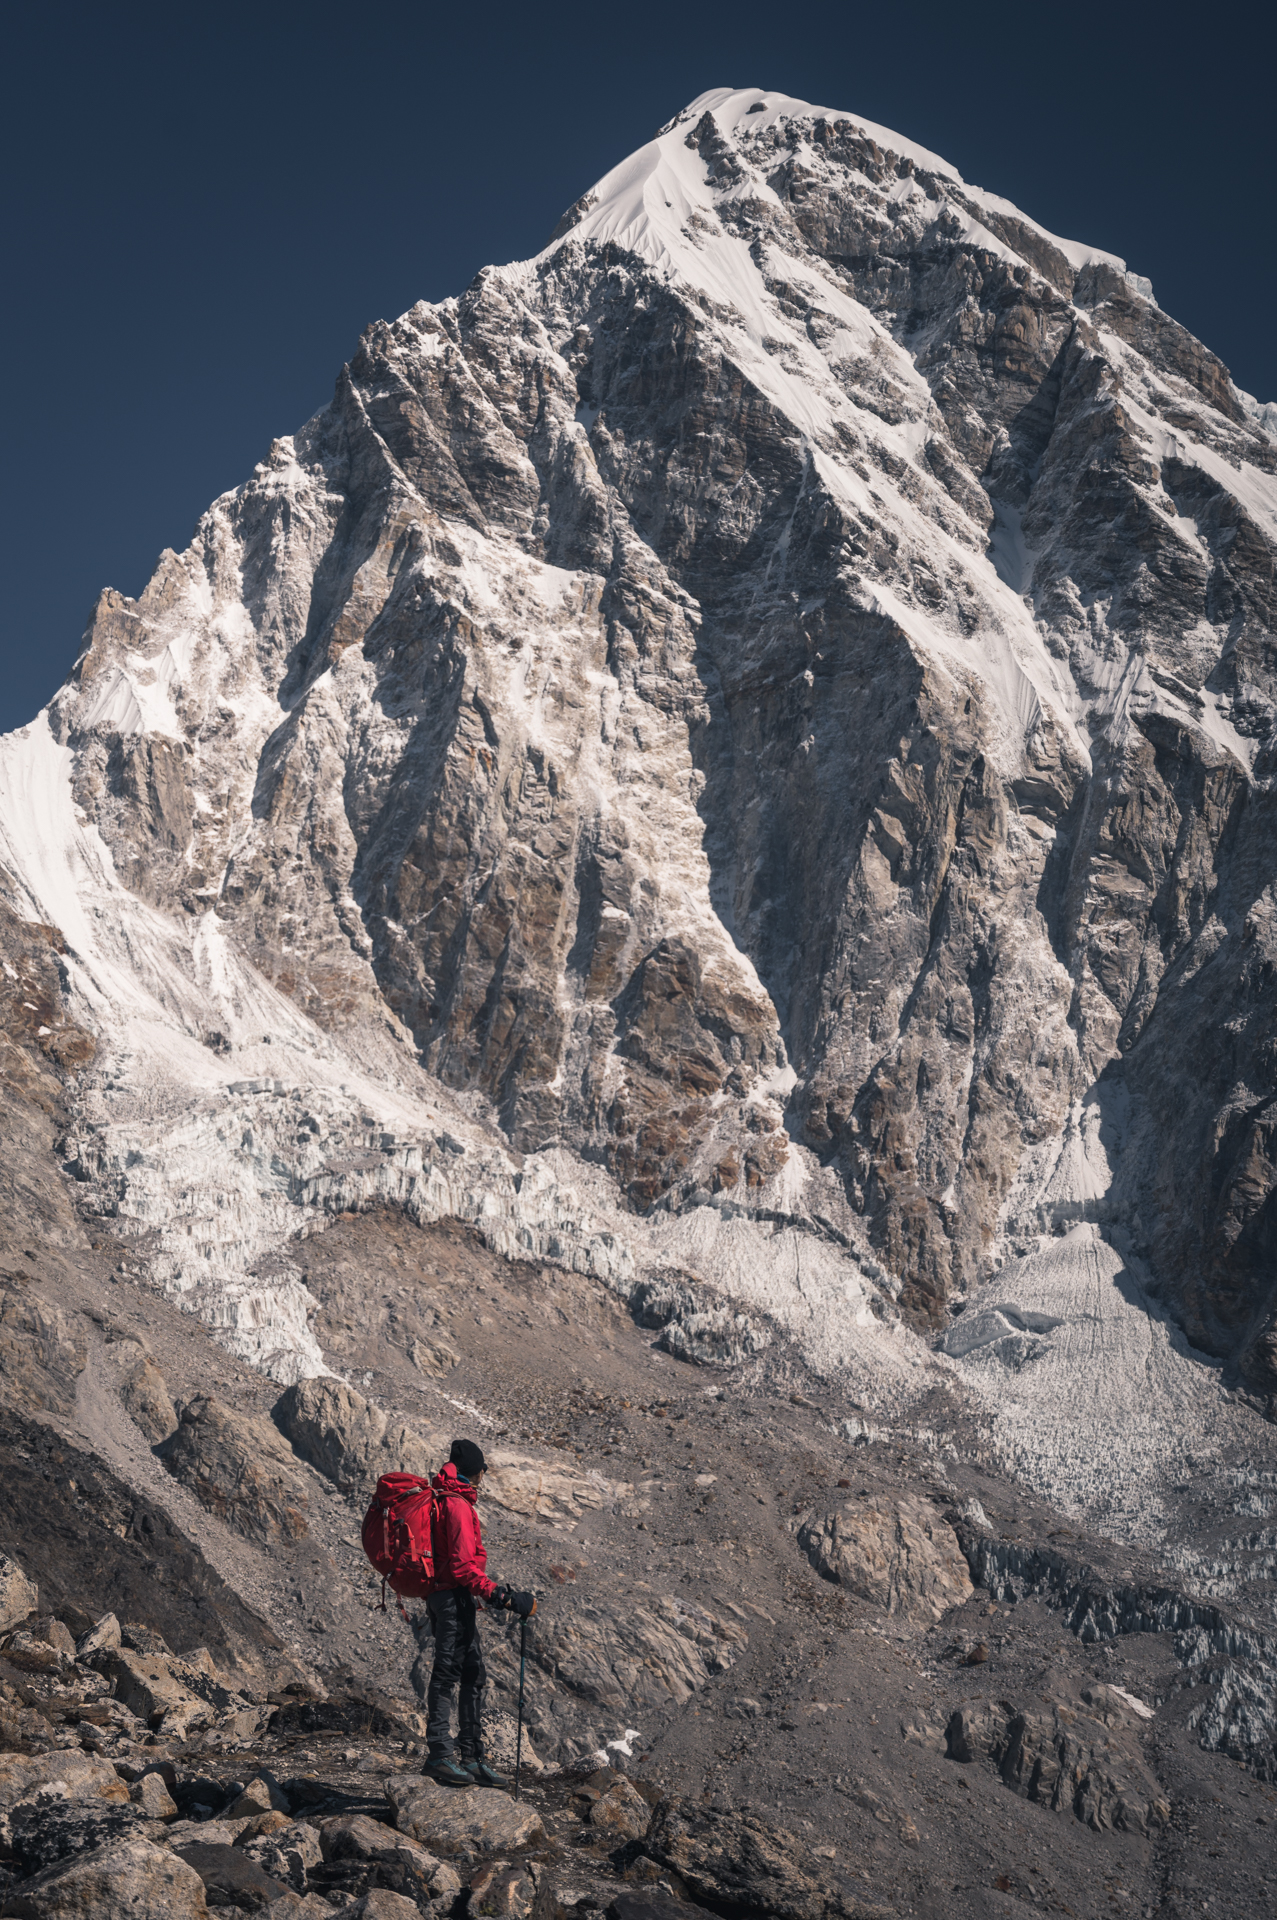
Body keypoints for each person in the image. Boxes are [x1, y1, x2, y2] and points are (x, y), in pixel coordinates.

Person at [418, 1437, 535, 1787]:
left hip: (452, 1599)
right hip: (452, 1598)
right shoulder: (456, 1505)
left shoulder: (451, 1499)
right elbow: (462, 1567)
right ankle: (440, 1754)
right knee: (446, 1675)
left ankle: (470, 1756)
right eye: (484, 1469)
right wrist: (501, 1595)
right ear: (478, 1472)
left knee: (472, 1674)